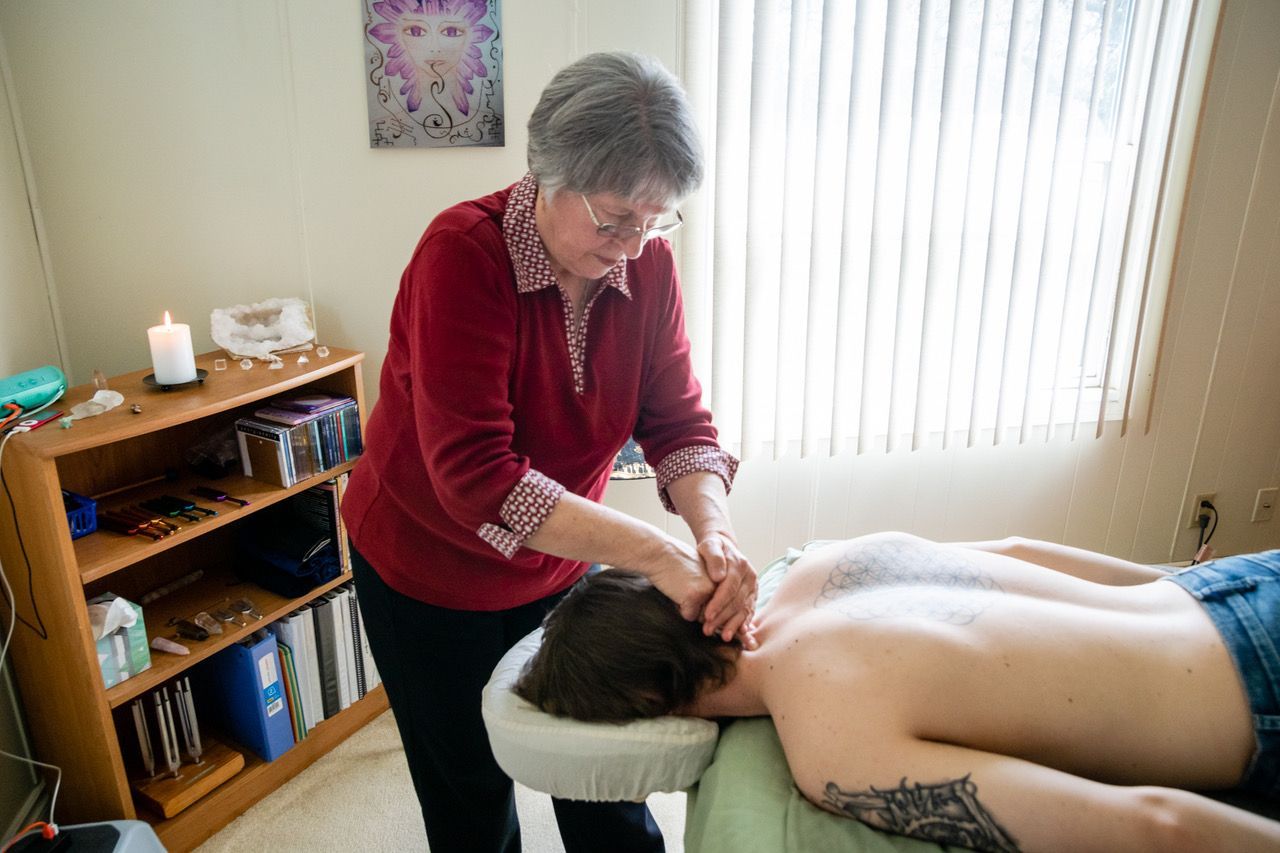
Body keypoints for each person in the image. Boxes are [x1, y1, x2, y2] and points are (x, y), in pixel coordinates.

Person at [341, 51, 758, 853]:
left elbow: (679, 425)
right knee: (469, 792)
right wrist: (658, 554)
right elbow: (475, 478)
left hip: (560, 562)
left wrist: (714, 533)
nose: (635, 244)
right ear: (547, 176)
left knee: (602, 773)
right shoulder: (462, 254)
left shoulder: (649, 267)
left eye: (657, 218)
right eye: (614, 220)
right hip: (423, 570)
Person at [516, 532, 1280, 852]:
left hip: (1257, 693)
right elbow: (1016, 548)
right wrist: (1172, 578)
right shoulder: (826, 559)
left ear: (654, 704)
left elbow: (1157, 826)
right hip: (1231, 582)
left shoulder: (830, 746)